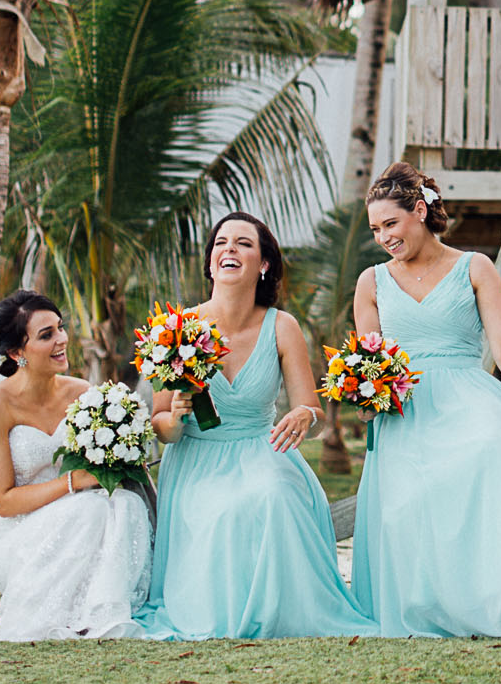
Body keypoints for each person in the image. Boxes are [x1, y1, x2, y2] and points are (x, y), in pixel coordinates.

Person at [348, 162, 501, 639]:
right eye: (376, 229)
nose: (384, 237)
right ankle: (438, 606)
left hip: (467, 391)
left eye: (391, 224)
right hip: (405, 406)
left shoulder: (474, 266)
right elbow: (368, 358)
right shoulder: (371, 282)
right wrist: (363, 388)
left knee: (491, 450)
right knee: (407, 490)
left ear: (419, 211)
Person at [136, 212, 374, 640]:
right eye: (221, 243)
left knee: (274, 493)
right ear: (211, 263)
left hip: (263, 450)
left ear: (263, 264)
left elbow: (312, 414)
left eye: (244, 243)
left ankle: (282, 611)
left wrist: (306, 415)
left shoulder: (283, 327)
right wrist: (175, 415)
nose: (229, 249)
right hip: (196, 458)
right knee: (224, 510)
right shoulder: (174, 330)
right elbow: (161, 427)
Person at [0, 290, 151, 640]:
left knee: (127, 503)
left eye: (60, 328)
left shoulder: (81, 392)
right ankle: (70, 613)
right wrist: (71, 483)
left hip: (82, 515)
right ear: (16, 352)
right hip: (14, 534)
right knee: (89, 509)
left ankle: (103, 610)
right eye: (46, 335)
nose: (62, 340)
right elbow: (3, 502)